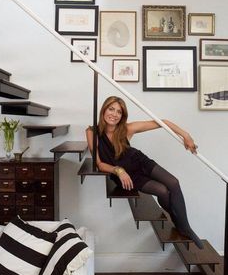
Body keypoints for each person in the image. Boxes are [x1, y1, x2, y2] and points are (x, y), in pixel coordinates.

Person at [86, 96, 203, 249]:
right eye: (111, 109)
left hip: (141, 161)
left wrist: (186, 136)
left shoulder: (127, 128)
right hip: (128, 174)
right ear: (103, 110)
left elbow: (163, 122)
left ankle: (185, 227)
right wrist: (118, 170)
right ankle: (180, 223)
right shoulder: (91, 132)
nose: (114, 114)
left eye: (119, 112)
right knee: (162, 191)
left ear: (122, 116)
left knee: (173, 183)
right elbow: (100, 164)